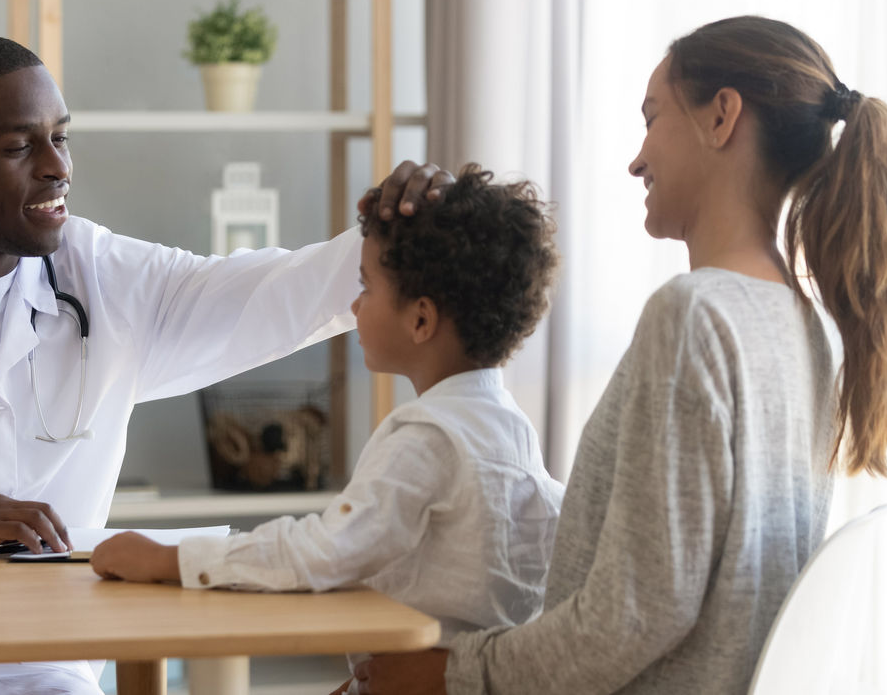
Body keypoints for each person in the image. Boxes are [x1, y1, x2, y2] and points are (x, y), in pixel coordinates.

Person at [0, 30, 451, 695]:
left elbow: (281, 292)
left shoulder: (106, 278)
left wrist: (405, 228)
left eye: (61, 137)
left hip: (34, 666)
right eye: (19, 146)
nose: (58, 166)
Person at [348, 16, 887, 694]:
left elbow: (633, 615)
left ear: (722, 117)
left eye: (653, 117)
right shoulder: (808, 328)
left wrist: (452, 673)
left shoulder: (694, 317)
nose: (636, 158)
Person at [89, 164, 566, 692]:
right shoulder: (511, 431)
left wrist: (167, 559)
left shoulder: (429, 437)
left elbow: (320, 554)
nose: (356, 305)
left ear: (421, 320)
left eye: (366, 288)